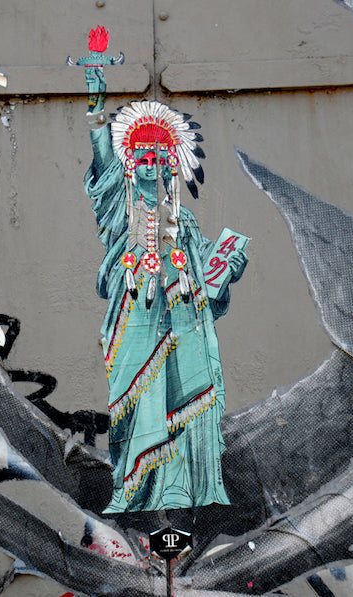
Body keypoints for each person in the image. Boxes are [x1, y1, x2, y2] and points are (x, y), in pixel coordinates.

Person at [83, 75, 247, 513]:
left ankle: (179, 488)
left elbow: (206, 273)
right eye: (142, 157)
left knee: (182, 404)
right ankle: (135, 489)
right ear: (129, 161)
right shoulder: (121, 210)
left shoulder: (183, 221)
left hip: (182, 325)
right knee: (139, 405)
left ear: (169, 164)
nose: (150, 165)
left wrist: (228, 266)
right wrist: (97, 109)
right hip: (135, 325)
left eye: (158, 158)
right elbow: (102, 162)